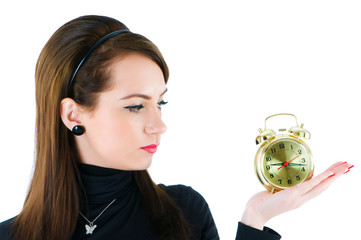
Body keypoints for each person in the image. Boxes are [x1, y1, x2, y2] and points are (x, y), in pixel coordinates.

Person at [0, 15, 353, 240]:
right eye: (136, 106)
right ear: (73, 115)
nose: (159, 125)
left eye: (160, 103)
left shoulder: (184, 213)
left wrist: (255, 219)